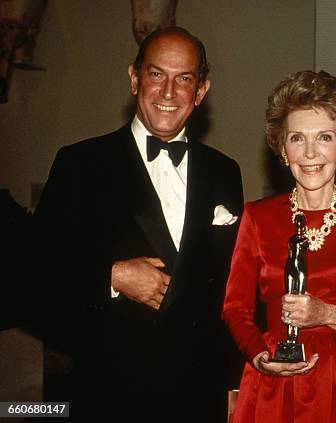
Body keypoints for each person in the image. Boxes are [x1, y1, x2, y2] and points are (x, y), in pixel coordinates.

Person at [33, 27, 243, 421]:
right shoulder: (80, 164)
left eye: (184, 78)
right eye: (156, 74)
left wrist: (234, 384)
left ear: (201, 90)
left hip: (200, 398)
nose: (168, 92)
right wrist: (111, 277)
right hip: (109, 396)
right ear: (134, 78)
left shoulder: (224, 171)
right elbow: (36, 278)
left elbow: (234, 290)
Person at [222, 70, 336, 422]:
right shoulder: (257, 216)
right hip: (273, 380)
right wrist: (258, 357)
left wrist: (326, 314)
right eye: (297, 138)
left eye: (325, 137)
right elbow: (235, 309)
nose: (310, 152)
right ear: (283, 150)